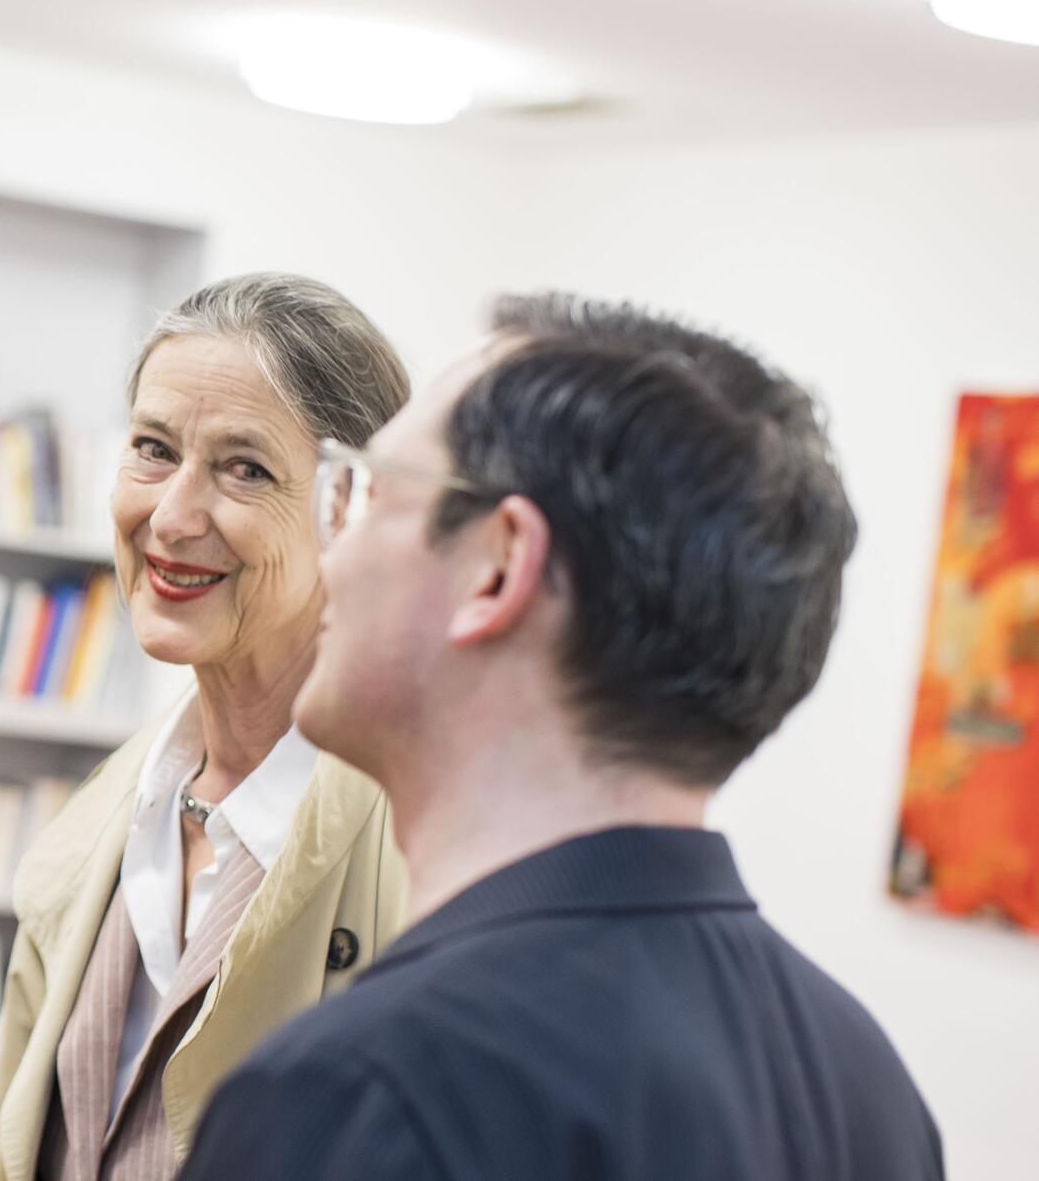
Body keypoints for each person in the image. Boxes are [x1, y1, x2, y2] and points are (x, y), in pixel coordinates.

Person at [180, 293, 943, 1180]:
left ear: (499, 566)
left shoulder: (354, 1092)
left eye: (372, 493)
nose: (332, 554)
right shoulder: (865, 1087)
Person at [0, 273, 413, 1181]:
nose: (171, 516)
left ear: (353, 509)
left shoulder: (422, 857)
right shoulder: (97, 823)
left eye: (245, 468)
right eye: (153, 449)